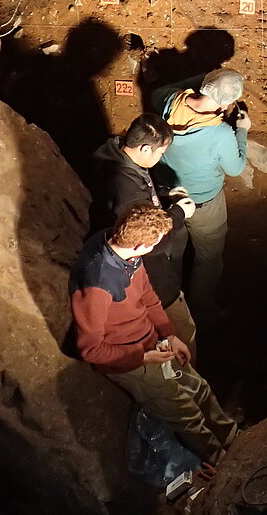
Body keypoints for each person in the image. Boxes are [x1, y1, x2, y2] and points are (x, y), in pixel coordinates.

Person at [68, 201, 237, 464]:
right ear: (138, 246)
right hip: (132, 364)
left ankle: (233, 438)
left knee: (199, 389)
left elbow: (147, 296)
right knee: (185, 413)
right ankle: (224, 460)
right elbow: (91, 349)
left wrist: (170, 334)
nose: (156, 247)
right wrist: (142, 357)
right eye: (154, 243)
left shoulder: (125, 252)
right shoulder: (98, 285)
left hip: (152, 342)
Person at [91, 113, 197, 358]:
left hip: (143, 266)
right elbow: (153, 242)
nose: (161, 158)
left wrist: (163, 195)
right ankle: (187, 372)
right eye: (160, 152)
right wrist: (180, 213)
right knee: (184, 330)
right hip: (153, 274)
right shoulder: (124, 187)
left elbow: (143, 196)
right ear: (145, 147)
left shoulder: (116, 154)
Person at [152, 68, 251, 324]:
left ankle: (172, 306)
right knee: (208, 258)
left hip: (169, 197)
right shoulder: (220, 135)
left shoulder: (169, 101)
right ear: (228, 102)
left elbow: (157, 93)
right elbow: (236, 168)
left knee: (172, 251)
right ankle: (201, 310)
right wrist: (241, 131)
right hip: (204, 203)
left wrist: (201, 80)